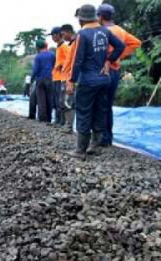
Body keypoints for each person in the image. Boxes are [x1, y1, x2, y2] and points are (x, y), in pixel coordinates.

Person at [66, 4, 125, 160]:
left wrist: (71, 81)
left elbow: (77, 61)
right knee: (100, 111)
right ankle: (95, 146)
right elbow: (121, 46)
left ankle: (80, 151)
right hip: (104, 80)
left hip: (88, 81)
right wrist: (109, 61)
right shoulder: (105, 32)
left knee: (84, 112)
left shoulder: (82, 34)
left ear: (81, 19)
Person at [98, 3, 142, 146]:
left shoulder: (100, 31)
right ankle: (107, 137)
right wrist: (119, 56)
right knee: (108, 105)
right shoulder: (121, 31)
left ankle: (101, 137)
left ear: (101, 16)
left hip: (102, 70)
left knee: (99, 104)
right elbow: (136, 43)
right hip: (115, 70)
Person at [50, 27, 70, 126]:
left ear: (58, 34)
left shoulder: (64, 47)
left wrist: (60, 65)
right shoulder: (58, 47)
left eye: (53, 35)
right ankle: (58, 120)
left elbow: (69, 60)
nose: (52, 38)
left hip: (61, 78)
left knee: (60, 101)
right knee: (56, 100)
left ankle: (61, 121)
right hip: (56, 77)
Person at [31, 40, 56, 123]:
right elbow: (54, 66)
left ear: (37, 47)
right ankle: (49, 118)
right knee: (49, 99)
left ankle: (42, 119)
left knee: (41, 100)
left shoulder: (38, 57)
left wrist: (32, 79)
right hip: (50, 79)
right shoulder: (52, 55)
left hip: (40, 80)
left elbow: (35, 70)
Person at [60, 24, 78, 133]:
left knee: (69, 101)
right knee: (66, 101)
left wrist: (71, 79)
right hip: (67, 76)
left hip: (71, 77)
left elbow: (76, 61)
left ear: (68, 32)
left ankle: (69, 126)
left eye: (63, 34)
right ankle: (68, 124)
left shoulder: (75, 43)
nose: (63, 37)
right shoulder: (71, 44)